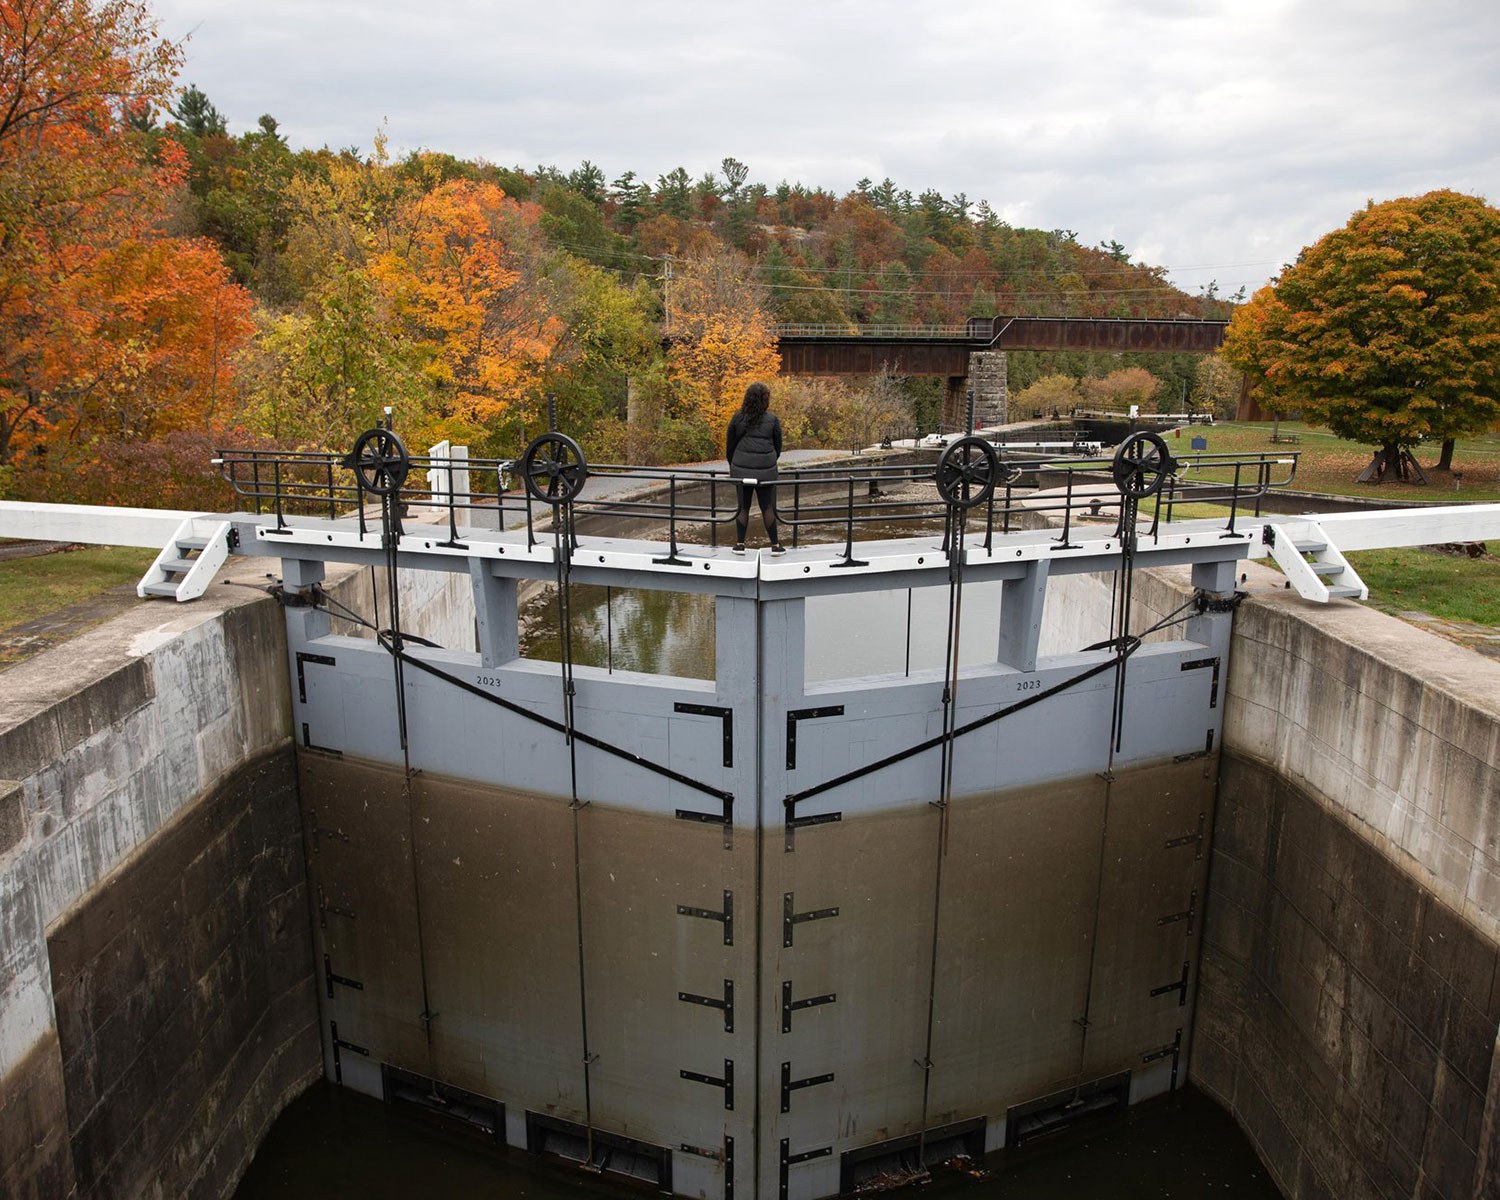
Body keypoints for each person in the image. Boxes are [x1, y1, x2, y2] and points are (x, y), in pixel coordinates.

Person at [725, 381, 784, 554]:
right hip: (765, 471)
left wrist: (735, 464)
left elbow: (730, 446)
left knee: (743, 506)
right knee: (767, 507)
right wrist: (769, 462)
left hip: (741, 469)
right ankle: (775, 545)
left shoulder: (737, 418)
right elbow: (778, 446)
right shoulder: (772, 420)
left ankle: (740, 544)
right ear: (765, 400)